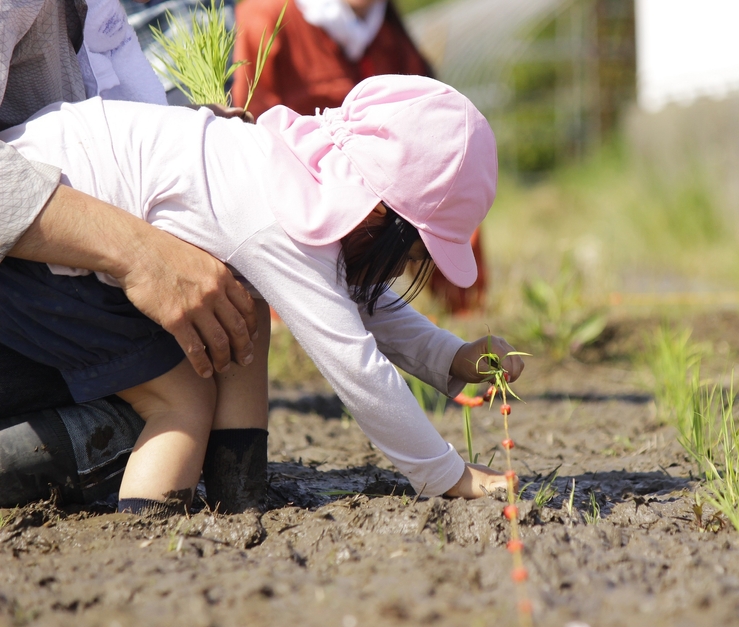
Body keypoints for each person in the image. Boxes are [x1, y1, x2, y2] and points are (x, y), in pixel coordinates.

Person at [0, 74, 524, 514]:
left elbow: (351, 294)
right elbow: (358, 368)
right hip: (41, 242)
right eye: (414, 252)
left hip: (55, 212)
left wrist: (452, 356)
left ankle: (237, 495)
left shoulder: (298, 172)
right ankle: (148, 541)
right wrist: (445, 475)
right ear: (382, 213)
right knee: (181, 401)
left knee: (241, 313)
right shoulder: (274, 221)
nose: (411, 267)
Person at [0, 0, 260, 509]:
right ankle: (151, 530)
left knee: (186, 378)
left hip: (43, 281)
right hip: (28, 287)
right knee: (171, 402)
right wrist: (141, 254)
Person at [232, 0, 487, 314]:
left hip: (378, 209)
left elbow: (434, 144)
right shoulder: (268, 17)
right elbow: (253, 122)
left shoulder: (388, 32)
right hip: (297, 205)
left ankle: (463, 306)